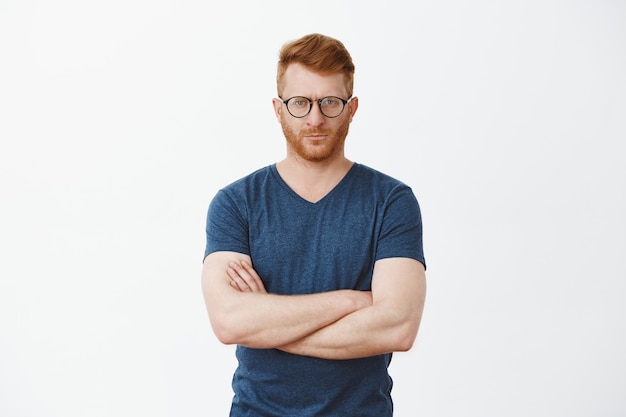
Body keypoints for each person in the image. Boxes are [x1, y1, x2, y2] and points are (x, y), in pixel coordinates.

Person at [201, 33, 426, 417]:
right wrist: (353, 301)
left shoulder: (391, 201)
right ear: (278, 108)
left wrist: (269, 325)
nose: (315, 118)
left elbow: (397, 329)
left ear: (352, 108)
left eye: (330, 102)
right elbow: (230, 322)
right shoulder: (236, 203)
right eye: (300, 103)